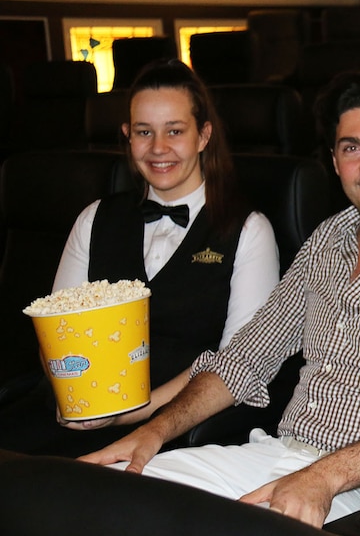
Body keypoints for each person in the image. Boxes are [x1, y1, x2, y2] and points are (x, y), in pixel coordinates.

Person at [79, 68, 360, 528]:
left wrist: (324, 476)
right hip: (277, 453)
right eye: (351, 149)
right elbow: (245, 358)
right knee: (108, 496)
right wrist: (153, 432)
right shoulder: (328, 237)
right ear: (333, 159)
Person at [0, 59, 280, 457]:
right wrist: (73, 398)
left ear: (204, 136)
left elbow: (236, 360)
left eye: (175, 131)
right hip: (76, 411)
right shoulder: (94, 218)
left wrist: (131, 413)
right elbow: (57, 330)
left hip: (175, 424)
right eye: (144, 132)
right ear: (128, 137)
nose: (158, 148)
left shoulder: (249, 230)